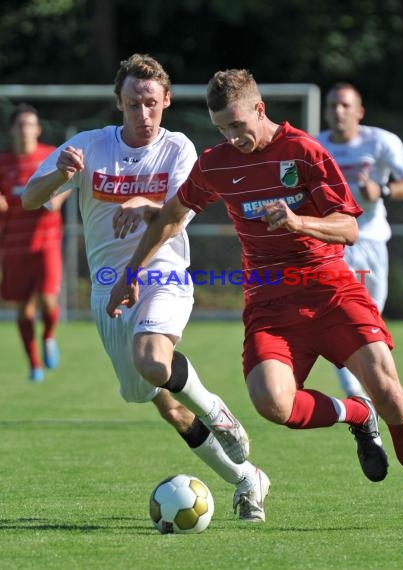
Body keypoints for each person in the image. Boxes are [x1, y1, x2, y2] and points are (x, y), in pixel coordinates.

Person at [106, 68, 403, 532]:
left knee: (391, 393)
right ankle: (355, 413)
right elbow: (174, 216)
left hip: (331, 290)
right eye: (222, 129)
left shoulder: (304, 152)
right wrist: (132, 271)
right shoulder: (217, 162)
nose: (234, 138)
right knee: (273, 404)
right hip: (270, 305)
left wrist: (299, 223)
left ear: (260, 109)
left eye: (239, 125)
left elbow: (349, 227)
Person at [22, 54, 269, 522]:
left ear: (167, 101)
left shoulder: (178, 149)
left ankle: (220, 413)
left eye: (152, 103)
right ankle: (245, 478)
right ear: (119, 102)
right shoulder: (89, 147)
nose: (143, 113)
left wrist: (144, 202)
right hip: (108, 291)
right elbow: (29, 199)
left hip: (164, 274)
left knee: (154, 358)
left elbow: (176, 219)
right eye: (134, 103)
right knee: (162, 403)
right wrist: (60, 175)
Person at [317, 82, 403, 398]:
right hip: (333, 245)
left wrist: (383, 191)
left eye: (345, 105)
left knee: (370, 325)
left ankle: (375, 391)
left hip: (372, 244)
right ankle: (357, 393)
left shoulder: (380, 141)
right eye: (332, 105)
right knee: (339, 319)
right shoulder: (314, 145)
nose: (338, 111)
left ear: (359, 111)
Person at [0, 103, 64, 383]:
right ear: (12, 130)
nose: (25, 130)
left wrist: (55, 200)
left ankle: (49, 335)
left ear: (38, 129)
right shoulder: (3, 163)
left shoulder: (50, 156)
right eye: (20, 125)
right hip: (13, 247)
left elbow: (66, 185)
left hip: (46, 243)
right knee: (24, 311)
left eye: (30, 124)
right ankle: (34, 364)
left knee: (48, 302)